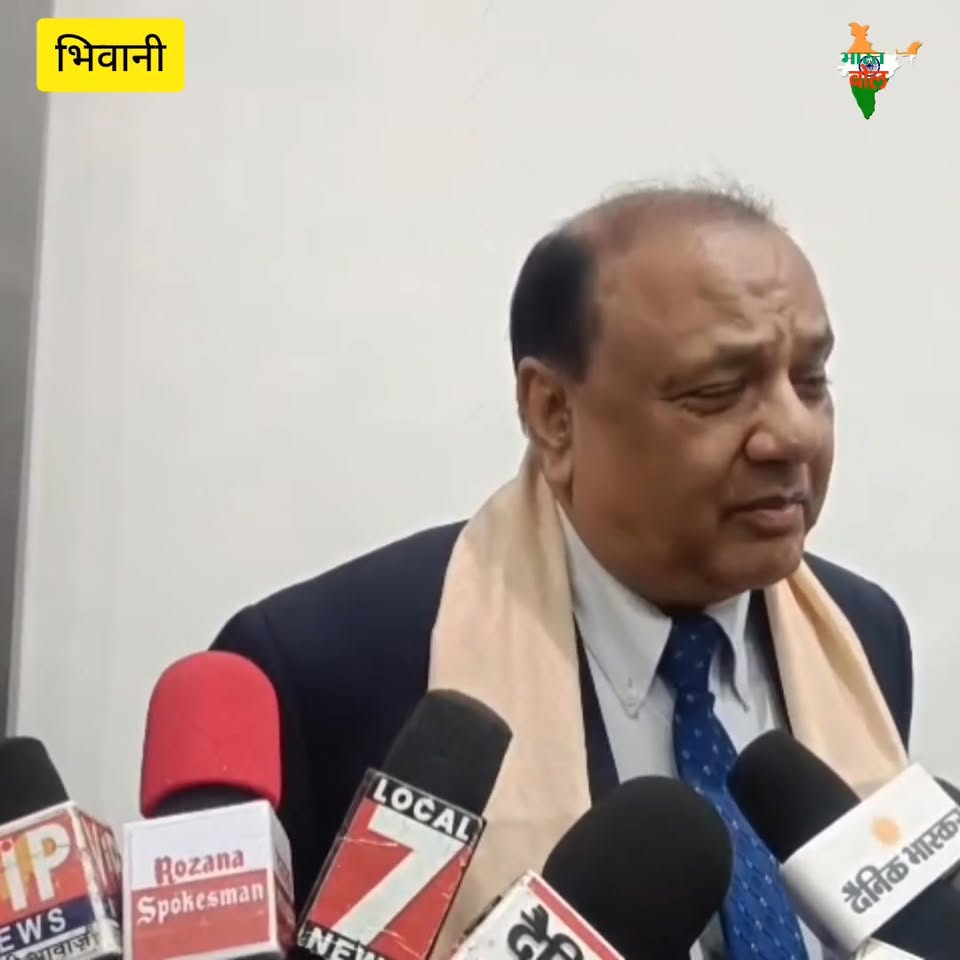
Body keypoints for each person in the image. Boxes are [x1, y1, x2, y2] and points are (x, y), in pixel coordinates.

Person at [212, 184, 913, 960]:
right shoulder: (326, 667)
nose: (792, 434)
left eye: (811, 381)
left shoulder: (862, 635)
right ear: (553, 414)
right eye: (717, 392)